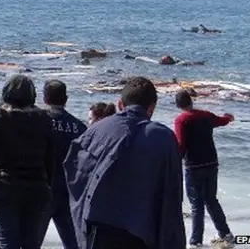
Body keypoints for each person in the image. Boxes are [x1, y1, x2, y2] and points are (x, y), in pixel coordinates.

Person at [64, 76, 185, 249]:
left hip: (100, 230)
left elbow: (76, 175)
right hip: (142, 233)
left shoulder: (96, 130)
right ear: (152, 108)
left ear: (120, 104)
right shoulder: (164, 138)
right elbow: (172, 195)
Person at [0, 75, 56, 249]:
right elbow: (51, 155)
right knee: (31, 242)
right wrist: (47, 181)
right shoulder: (44, 118)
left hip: (6, 186)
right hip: (36, 186)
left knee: (8, 240)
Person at [174, 90, 235, 248]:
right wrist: (228, 117)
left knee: (196, 205)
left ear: (178, 105)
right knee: (211, 200)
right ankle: (226, 234)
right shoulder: (205, 115)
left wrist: (172, 162)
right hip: (211, 164)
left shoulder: (182, 120)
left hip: (194, 167)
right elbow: (221, 121)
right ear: (191, 101)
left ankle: (196, 241)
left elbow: (181, 146)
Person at [42, 79, 87, 249]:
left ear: (45, 98)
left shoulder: (37, 121)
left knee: (32, 240)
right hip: (69, 191)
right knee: (72, 241)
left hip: (42, 188)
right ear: (66, 99)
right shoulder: (79, 127)